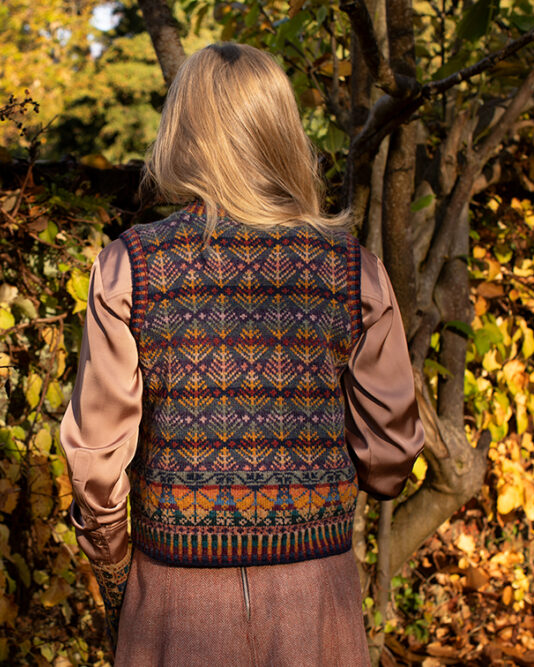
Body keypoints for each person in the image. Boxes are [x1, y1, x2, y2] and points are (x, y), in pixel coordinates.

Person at [59, 42, 424, 665]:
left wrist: (119, 576)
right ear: (280, 130)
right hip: (317, 600)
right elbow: (390, 457)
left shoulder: (131, 267)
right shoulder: (353, 273)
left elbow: (96, 466)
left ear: (183, 132)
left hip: (174, 601)